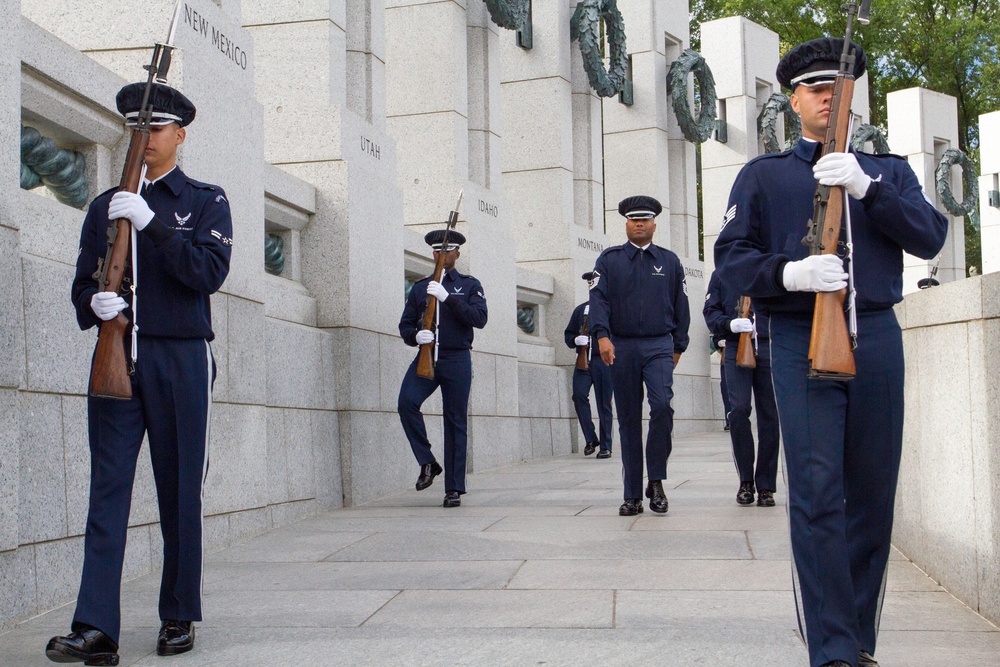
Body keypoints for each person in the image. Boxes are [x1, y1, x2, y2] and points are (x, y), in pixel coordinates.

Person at [714, 37, 948, 667]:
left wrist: (870, 188)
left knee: (872, 495)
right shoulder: (765, 175)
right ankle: (835, 650)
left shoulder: (890, 172)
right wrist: (789, 275)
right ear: (795, 101)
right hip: (798, 338)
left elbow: (931, 238)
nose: (828, 99)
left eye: (838, 90)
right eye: (816, 90)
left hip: (876, 335)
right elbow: (731, 261)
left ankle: (859, 639)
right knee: (818, 493)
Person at [47, 82, 233, 665]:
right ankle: (96, 626)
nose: (145, 139)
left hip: (178, 357)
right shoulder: (104, 205)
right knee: (107, 490)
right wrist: (93, 306)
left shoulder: (206, 200)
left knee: (179, 487)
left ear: (180, 134)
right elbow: (84, 281)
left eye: (156, 129)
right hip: (117, 356)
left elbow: (207, 272)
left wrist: (153, 223)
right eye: (137, 129)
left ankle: (178, 613)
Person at [589, 195, 690, 516]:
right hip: (621, 347)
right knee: (629, 420)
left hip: (659, 345)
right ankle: (632, 494)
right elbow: (598, 300)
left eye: (645, 219)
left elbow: (682, 307)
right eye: (634, 219)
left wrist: (678, 346)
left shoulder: (670, 262)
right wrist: (602, 336)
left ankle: (656, 480)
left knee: (662, 406)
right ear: (626, 224)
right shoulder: (609, 260)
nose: (639, 224)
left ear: (654, 224)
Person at [397, 230, 488, 508]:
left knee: (455, 421)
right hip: (427, 356)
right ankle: (427, 462)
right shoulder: (420, 286)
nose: (442, 255)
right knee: (406, 403)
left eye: (447, 251)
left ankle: (454, 488)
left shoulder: (469, 285)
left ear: (457, 254)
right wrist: (415, 336)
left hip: (457, 358)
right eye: (437, 251)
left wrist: (449, 298)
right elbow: (406, 325)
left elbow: (479, 318)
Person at [703, 270, 780, 507]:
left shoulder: (770, 267)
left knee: (770, 415)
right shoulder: (723, 274)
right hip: (737, 345)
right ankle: (746, 481)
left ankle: (766, 485)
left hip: (768, 344)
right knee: (738, 410)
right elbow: (710, 310)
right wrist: (728, 324)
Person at [563, 272, 614, 459]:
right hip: (583, 363)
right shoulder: (581, 310)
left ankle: (606, 445)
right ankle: (591, 438)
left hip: (604, 362)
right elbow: (568, 335)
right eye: (590, 284)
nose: (592, 287)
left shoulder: (611, 309)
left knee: (604, 403)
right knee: (578, 396)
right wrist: (576, 339)